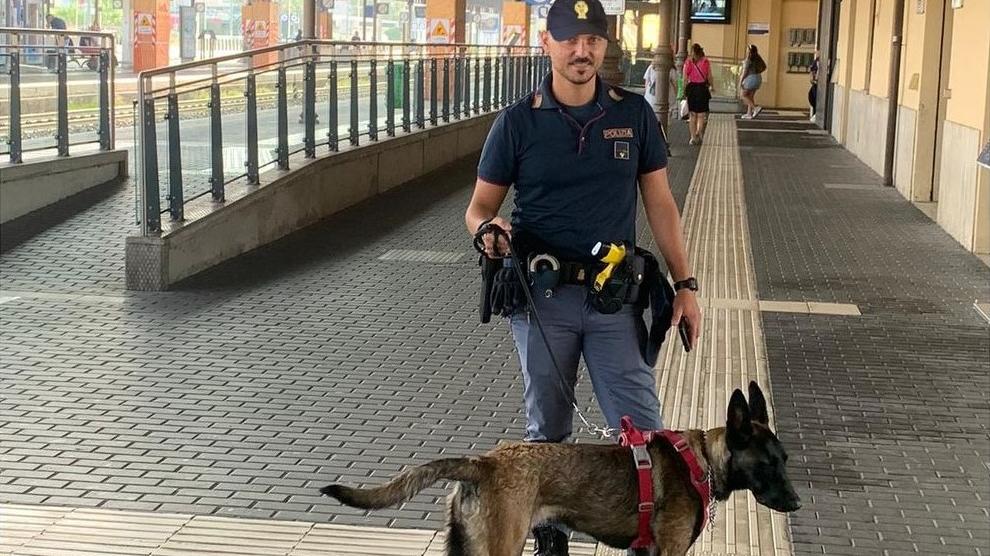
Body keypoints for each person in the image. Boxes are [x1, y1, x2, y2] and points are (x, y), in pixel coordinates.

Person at [464, 0, 701, 553]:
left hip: (614, 300)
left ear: (605, 45)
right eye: (571, 38)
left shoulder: (634, 115)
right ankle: (550, 538)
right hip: (541, 300)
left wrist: (686, 286)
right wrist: (487, 229)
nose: (582, 50)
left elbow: (661, 203)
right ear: (548, 42)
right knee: (546, 428)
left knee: (644, 428)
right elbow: (478, 207)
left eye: (593, 39)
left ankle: (647, 535)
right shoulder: (518, 122)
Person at [683, 43, 712, 145]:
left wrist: (684, 90)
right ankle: (699, 133)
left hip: (692, 89)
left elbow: (685, 78)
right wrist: (712, 86)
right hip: (703, 89)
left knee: (692, 115)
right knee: (701, 115)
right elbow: (709, 76)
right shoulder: (706, 61)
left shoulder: (688, 62)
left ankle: (693, 137)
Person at [739, 44, 765, 119]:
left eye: (747, 50)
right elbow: (764, 67)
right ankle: (749, 113)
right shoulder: (758, 58)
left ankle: (755, 108)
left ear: (749, 52)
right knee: (750, 96)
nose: (746, 51)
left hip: (750, 79)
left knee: (743, 95)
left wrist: (740, 82)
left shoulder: (748, 60)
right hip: (758, 78)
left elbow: (745, 72)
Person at [808, 50, 820, 122]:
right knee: (812, 96)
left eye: (817, 52)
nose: (816, 53)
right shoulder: (816, 60)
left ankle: (816, 114)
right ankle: (816, 114)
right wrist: (812, 78)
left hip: (819, 84)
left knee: (815, 98)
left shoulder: (820, 60)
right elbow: (812, 70)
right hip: (815, 83)